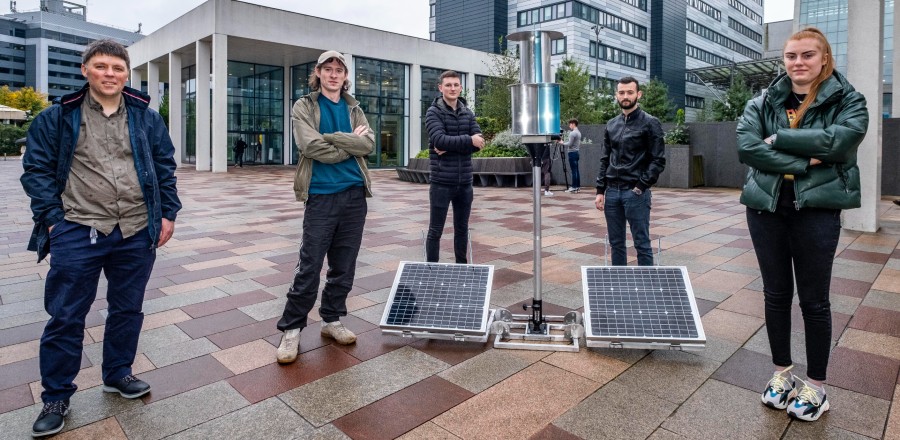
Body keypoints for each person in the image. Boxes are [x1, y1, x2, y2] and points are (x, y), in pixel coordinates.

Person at [20, 39, 181, 437]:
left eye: (117, 68)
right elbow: (36, 172)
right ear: (85, 70)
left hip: (136, 229)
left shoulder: (146, 116)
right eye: (102, 66)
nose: (110, 74)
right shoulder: (57, 117)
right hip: (78, 227)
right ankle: (56, 396)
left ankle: (118, 374)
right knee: (66, 316)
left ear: (127, 73)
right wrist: (54, 221)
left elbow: (165, 166)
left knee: (128, 309)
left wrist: (168, 214)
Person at [737, 27, 868, 422]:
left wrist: (778, 140)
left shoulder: (850, 100)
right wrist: (803, 158)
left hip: (816, 210)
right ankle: (781, 375)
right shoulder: (762, 101)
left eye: (808, 55)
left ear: (824, 58)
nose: (799, 62)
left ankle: (816, 386)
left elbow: (839, 142)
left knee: (814, 301)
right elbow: (747, 147)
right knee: (776, 294)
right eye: (792, 56)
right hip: (766, 208)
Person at [276, 50, 374, 364]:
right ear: (318, 73)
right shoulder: (304, 105)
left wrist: (332, 138)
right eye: (327, 69)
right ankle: (291, 328)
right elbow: (311, 146)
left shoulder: (354, 107)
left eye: (339, 70)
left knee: (344, 266)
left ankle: (332, 319)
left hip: (354, 197)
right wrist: (347, 141)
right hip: (320, 196)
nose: (333, 74)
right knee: (310, 266)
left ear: (345, 76)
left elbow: (368, 145)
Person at [594, 77, 665, 266]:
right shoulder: (611, 124)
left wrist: (641, 186)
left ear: (638, 94)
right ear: (617, 95)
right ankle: (620, 286)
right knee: (616, 243)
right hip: (612, 193)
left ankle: (646, 288)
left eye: (630, 92)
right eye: (622, 92)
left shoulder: (650, 123)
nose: (625, 96)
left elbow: (658, 160)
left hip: (635, 193)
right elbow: (605, 158)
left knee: (641, 243)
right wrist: (600, 190)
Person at [424, 70, 484, 263]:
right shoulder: (433, 112)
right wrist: (468, 141)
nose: (452, 88)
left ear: (460, 87)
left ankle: (462, 268)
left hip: (465, 183)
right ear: (440, 88)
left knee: (462, 229)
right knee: (436, 230)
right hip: (441, 182)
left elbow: (480, 142)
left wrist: (449, 146)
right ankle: (432, 271)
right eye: (448, 85)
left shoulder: (468, 112)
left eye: (456, 85)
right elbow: (439, 140)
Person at [558, 118, 582, 193]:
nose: (569, 126)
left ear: (573, 124)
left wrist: (562, 143)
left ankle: (574, 187)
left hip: (572, 153)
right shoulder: (578, 132)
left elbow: (569, 144)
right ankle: (577, 186)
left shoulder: (573, 133)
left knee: (573, 171)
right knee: (576, 170)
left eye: (570, 124)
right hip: (576, 152)